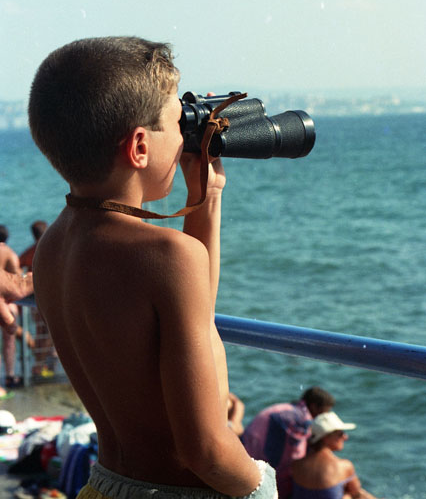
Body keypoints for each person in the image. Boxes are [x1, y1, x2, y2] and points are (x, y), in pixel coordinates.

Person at [28, 37, 277, 499]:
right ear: (140, 146)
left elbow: (196, 315)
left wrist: (206, 194)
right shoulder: (167, 256)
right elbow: (205, 451)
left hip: (104, 485)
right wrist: (263, 488)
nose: (185, 134)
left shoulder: (54, 247)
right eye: (176, 122)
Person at [242, 387, 335, 498]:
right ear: (314, 406)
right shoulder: (302, 420)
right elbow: (297, 454)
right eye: (325, 411)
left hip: (246, 449)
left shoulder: (288, 408)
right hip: (258, 458)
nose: (326, 415)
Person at [291, 411, 379, 499]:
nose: (345, 437)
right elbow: (356, 493)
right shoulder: (344, 466)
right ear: (326, 437)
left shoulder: (297, 465)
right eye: (340, 434)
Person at [19, 221, 55, 377]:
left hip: (34, 297)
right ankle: (40, 365)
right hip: (50, 296)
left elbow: (17, 264)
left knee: (41, 332)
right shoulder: (52, 249)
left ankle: (40, 364)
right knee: (51, 333)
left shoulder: (30, 252)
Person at [0, 225, 22, 393]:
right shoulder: (9, 254)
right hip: (7, 304)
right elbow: (17, 281)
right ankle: (10, 375)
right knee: (9, 342)